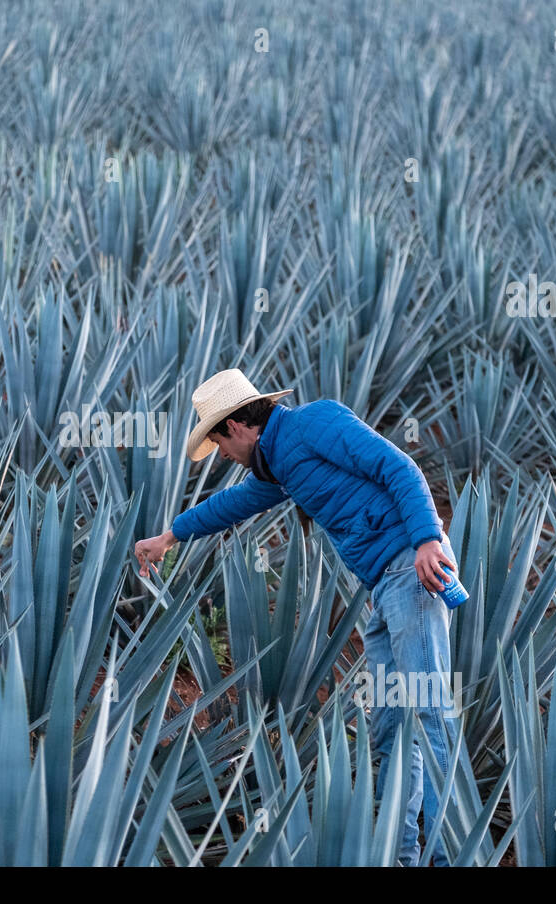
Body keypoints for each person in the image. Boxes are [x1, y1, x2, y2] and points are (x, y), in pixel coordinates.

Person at [133, 368, 462, 866]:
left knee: (428, 715)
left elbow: (400, 468)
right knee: (393, 725)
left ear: (237, 427)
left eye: (219, 443)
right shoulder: (279, 466)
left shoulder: (315, 423)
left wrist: (426, 540)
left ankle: (448, 856)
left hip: (412, 572)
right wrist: (169, 537)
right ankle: (402, 856)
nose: (221, 456)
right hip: (387, 586)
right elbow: (233, 504)